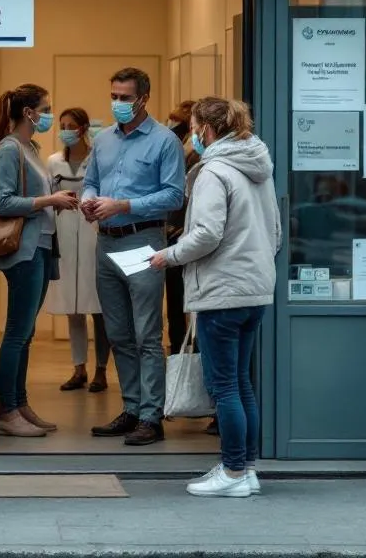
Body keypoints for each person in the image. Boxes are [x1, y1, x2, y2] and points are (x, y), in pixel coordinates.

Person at [151, 97, 280, 498]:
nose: (191, 134)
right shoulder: (257, 168)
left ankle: (233, 471)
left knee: (224, 386)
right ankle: (246, 467)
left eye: (192, 126)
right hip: (255, 290)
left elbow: (206, 234)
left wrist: (168, 256)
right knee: (241, 383)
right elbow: (275, 232)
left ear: (205, 130)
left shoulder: (214, 172)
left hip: (222, 293)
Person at [81, 67, 186, 446]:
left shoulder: (164, 141)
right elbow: (90, 179)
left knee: (146, 334)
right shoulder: (103, 139)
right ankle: (130, 407)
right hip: (105, 243)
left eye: (125, 98)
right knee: (118, 333)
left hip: (143, 241)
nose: (117, 104)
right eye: (113, 96)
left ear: (143, 98)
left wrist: (124, 204)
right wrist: (87, 201)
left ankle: (150, 416)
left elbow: (174, 196)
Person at [0, 84, 80, 437]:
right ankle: (6, 411)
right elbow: (3, 202)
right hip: (23, 251)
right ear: (28, 113)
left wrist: (51, 199)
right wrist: (48, 201)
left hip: (40, 246)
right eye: (45, 108)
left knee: (25, 335)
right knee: (16, 333)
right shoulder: (10, 148)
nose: (49, 115)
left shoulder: (31, 147)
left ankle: (19, 403)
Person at [44, 108, 110, 393]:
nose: (66, 130)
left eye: (71, 126)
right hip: (65, 239)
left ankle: (101, 370)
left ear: (84, 129)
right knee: (73, 308)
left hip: (93, 235)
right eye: (63, 126)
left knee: (99, 308)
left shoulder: (99, 159)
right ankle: (79, 368)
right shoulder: (53, 161)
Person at [163, 99, 200, 356]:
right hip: (172, 231)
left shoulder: (197, 153)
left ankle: (191, 351)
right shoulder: (178, 149)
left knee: (189, 299)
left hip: (188, 233)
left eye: (175, 122)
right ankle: (177, 349)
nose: (170, 126)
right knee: (175, 300)